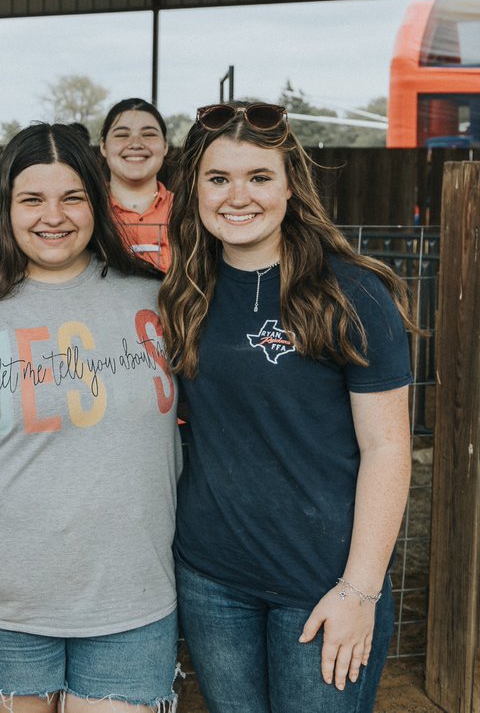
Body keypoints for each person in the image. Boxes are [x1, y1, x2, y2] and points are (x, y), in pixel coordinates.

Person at [0, 123, 181, 713]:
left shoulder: (156, 299)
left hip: (134, 594)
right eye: (32, 199)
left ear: (97, 202)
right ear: (4, 208)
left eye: (72, 197)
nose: (54, 216)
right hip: (6, 606)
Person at [158, 102, 415, 712]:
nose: (237, 196)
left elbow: (388, 448)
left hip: (323, 583)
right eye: (218, 179)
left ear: (291, 185)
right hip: (212, 579)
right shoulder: (184, 295)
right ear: (194, 189)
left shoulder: (350, 292)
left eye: (259, 177)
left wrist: (360, 591)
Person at [98, 98, 172, 270]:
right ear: (103, 146)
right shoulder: (87, 210)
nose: (136, 144)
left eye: (149, 134)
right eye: (122, 135)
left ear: (165, 146)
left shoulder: (188, 211)